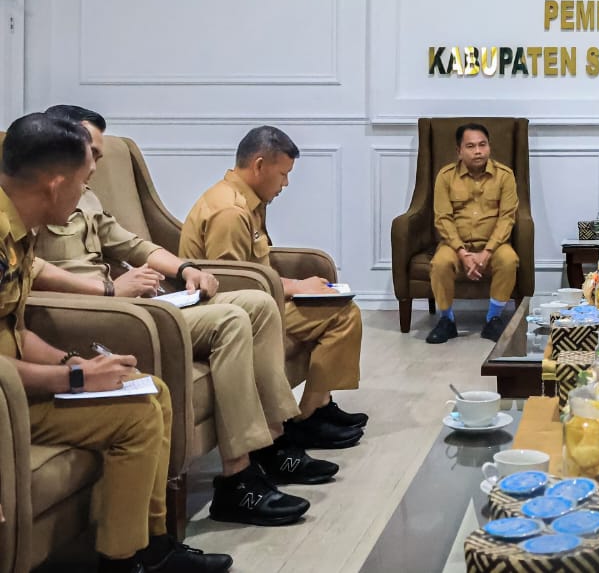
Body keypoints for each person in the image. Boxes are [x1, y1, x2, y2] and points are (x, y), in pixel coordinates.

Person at [33, 106, 350, 527]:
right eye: (89, 153)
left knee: (256, 304)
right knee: (231, 321)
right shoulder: (37, 198)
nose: (96, 164)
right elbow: (32, 273)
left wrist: (184, 269)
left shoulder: (85, 194)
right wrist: (110, 289)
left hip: (130, 304)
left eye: (96, 154)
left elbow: (132, 244)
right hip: (98, 315)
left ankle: (274, 440)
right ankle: (237, 480)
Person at [0, 112, 231, 572]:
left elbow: (13, 329)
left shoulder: (20, 230)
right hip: (6, 401)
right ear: (54, 184)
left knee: (150, 389)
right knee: (137, 413)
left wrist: (73, 361)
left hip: (19, 383)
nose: (88, 191)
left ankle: (152, 546)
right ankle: (123, 561)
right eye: (84, 180)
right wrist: (77, 377)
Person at [179, 125, 366, 446]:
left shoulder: (248, 201)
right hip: (233, 311)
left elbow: (255, 269)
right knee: (341, 315)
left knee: (338, 306)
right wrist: (295, 286)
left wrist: (297, 286)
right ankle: (306, 418)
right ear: (259, 165)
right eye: (282, 174)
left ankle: (319, 406)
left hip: (260, 299)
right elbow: (233, 282)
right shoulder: (230, 211)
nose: (286, 183)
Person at [424, 122, 520, 345]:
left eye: (482, 145)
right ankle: (446, 321)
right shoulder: (445, 176)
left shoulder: (505, 176)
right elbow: (443, 218)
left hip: (493, 243)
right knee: (440, 263)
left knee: (509, 260)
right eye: (471, 146)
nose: (478, 151)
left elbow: (507, 217)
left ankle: (493, 318)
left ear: (489, 147)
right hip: (454, 243)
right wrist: (462, 253)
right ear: (459, 151)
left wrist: (486, 252)